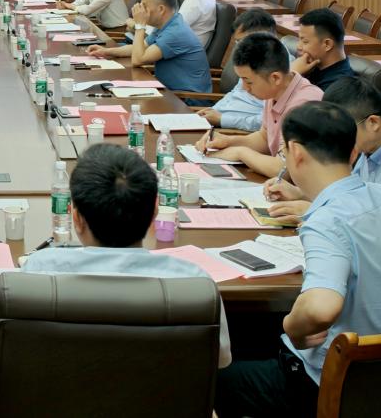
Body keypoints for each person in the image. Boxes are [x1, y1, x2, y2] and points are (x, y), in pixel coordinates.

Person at [216, 102, 381, 418]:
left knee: (199, 376)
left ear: (296, 152)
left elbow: (321, 308)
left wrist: (291, 327)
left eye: (283, 151)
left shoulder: (327, 220)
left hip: (331, 382)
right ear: (353, 152)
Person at [23, 144, 232, 368]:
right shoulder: (194, 282)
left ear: (76, 218)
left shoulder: (37, 272)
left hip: (61, 389)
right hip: (166, 391)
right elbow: (219, 360)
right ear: (155, 213)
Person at [266, 77, 381, 277]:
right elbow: (352, 199)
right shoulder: (371, 147)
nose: (336, 138)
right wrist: (300, 193)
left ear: (373, 123)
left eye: (344, 129)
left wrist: (317, 212)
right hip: (371, 262)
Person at [198, 33, 323, 178]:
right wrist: (228, 141)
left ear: (275, 78)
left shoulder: (305, 104)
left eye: (248, 81)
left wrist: (240, 152)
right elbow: (264, 139)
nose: (245, 88)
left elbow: (284, 169)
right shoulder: (274, 91)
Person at [88, 0, 210, 94]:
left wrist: (140, 26)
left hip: (186, 98)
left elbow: (138, 59)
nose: (140, 9)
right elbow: (139, 48)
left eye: (144, 6)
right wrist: (106, 51)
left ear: (161, 9)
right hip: (168, 91)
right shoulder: (167, 24)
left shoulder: (176, 32)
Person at [197, 8, 278, 131]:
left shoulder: (281, 68)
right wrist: (213, 111)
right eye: (237, 42)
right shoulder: (251, 58)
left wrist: (222, 119)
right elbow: (236, 93)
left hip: (236, 132)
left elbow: (267, 122)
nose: (238, 47)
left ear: (264, 36)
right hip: (217, 123)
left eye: (242, 41)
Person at [291, 8, 355, 91]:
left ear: (327, 44)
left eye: (305, 41)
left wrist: (291, 75)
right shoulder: (312, 68)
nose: (298, 46)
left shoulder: (337, 87)